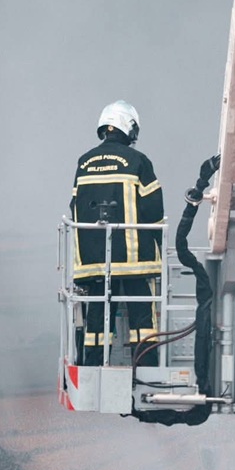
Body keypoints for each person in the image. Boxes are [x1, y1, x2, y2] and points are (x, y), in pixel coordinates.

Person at [71, 100, 165, 365]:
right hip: (135, 261)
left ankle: (92, 364)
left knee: (98, 320)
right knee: (142, 320)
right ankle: (145, 367)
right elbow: (154, 209)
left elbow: (74, 205)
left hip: (93, 264)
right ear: (129, 126)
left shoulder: (84, 162)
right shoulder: (137, 161)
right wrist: (159, 247)